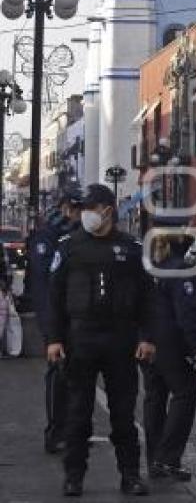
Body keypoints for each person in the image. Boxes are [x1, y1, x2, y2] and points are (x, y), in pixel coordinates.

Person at [46, 184, 155, 497]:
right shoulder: (69, 246)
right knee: (78, 413)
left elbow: (148, 297)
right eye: (83, 209)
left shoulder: (131, 248)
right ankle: (74, 477)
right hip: (81, 338)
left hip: (121, 339)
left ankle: (131, 475)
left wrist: (147, 337)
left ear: (107, 210)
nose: (84, 214)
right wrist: (54, 338)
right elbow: (54, 297)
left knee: (123, 414)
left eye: (90, 208)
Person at [142, 218, 196, 482]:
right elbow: (187, 315)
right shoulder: (180, 269)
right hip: (172, 343)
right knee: (185, 395)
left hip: (148, 341)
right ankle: (167, 458)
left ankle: (155, 460)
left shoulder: (150, 266)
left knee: (155, 399)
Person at [28, 187, 83, 454]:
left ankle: (72, 430)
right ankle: (55, 432)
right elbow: (45, 281)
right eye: (74, 209)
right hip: (54, 315)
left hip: (75, 315)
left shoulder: (73, 236)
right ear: (64, 207)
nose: (78, 214)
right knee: (58, 372)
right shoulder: (47, 236)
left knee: (75, 375)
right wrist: (51, 328)